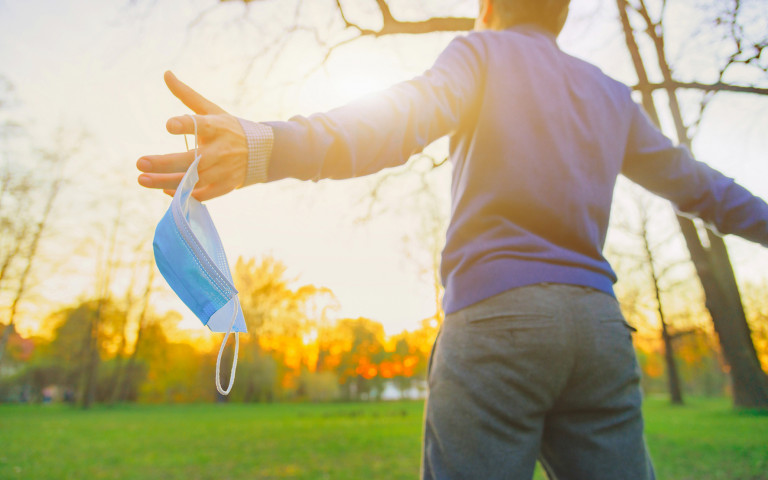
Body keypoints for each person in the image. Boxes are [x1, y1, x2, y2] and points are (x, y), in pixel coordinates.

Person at [137, 0, 768, 478]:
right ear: (563, 14)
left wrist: (267, 146)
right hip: (598, 331)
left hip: (498, 324)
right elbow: (704, 188)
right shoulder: (609, 95)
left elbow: (396, 121)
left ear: (489, 7)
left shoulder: (480, 54)